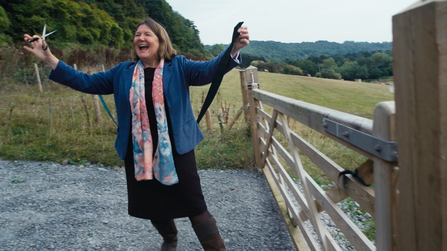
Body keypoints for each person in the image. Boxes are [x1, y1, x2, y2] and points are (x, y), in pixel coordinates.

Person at [23, 18, 249, 251]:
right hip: (138, 153)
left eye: (147, 34)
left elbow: (210, 69)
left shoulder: (179, 66)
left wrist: (234, 48)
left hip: (178, 150)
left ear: (161, 41)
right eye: (137, 34)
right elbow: (86, 81)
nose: (140, 38)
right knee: (152, 204)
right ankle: (170, 240)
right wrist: (49, 58)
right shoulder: (123, 72)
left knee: (195, 206)